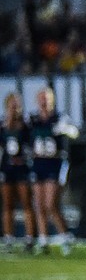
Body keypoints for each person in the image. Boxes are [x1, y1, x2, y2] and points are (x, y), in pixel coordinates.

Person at [28, 87, 78, 255]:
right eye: (41, 98)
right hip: (38, 162)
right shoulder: (33, 119)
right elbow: (25, 137)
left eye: (47, 98)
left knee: (51, 204)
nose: (44, 101)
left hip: (54, 163)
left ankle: (65, 235)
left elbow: (74, 132)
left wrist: (65, 130)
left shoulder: (60, 117)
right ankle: (43, 239)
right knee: (39, 204)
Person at [1, 93, 33, 253]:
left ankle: (29, 238)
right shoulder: (3, 125)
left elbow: (31, 145)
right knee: (7, 205)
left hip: (22, 168)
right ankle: (8, 237)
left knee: (26, 202)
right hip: (7, 168)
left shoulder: (26, 125)